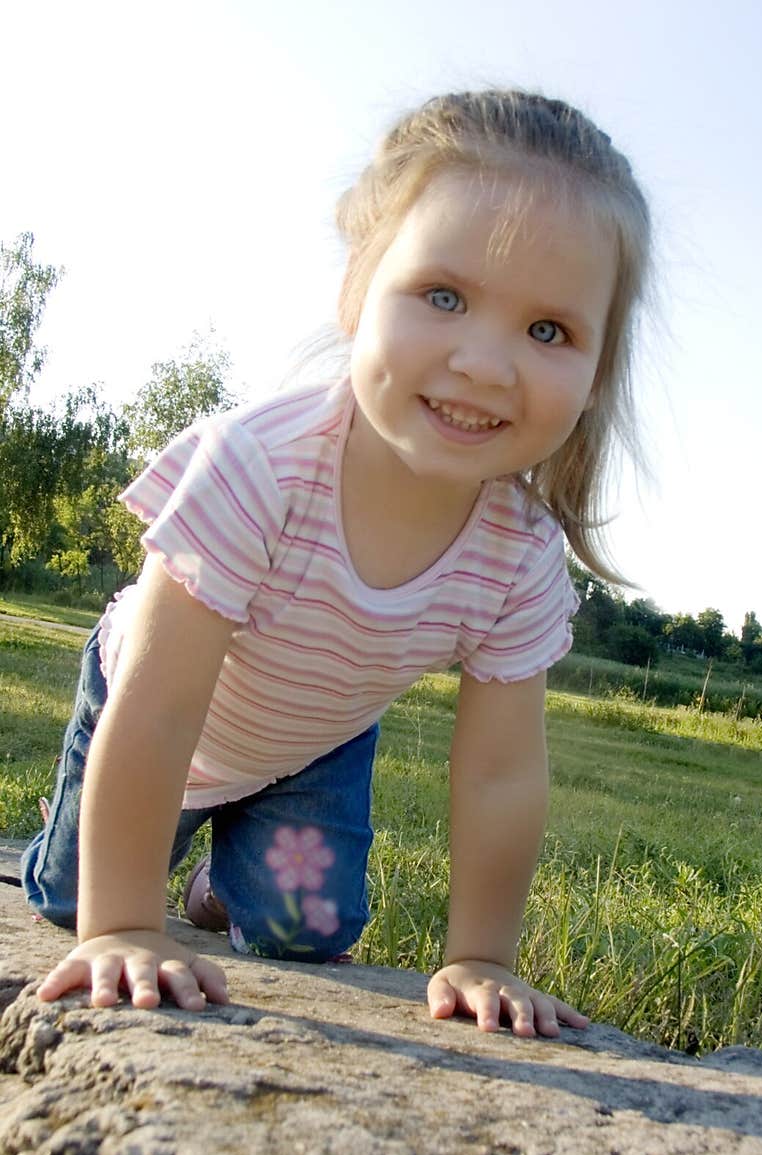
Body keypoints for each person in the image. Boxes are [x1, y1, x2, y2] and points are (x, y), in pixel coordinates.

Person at [22, 88, 651, 1039]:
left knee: (304, 931)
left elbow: (500, 773)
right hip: (151, 710)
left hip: (311, 747)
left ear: (597, 369)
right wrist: (120, 927)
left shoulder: (520, 553)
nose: (485, 362)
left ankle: (218, 885)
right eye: (444, 296)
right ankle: (71, 841)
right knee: (76, 900)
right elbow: (157, 707)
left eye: (549, 330)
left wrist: (481, 956)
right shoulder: (258, 467)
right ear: (359, 283)